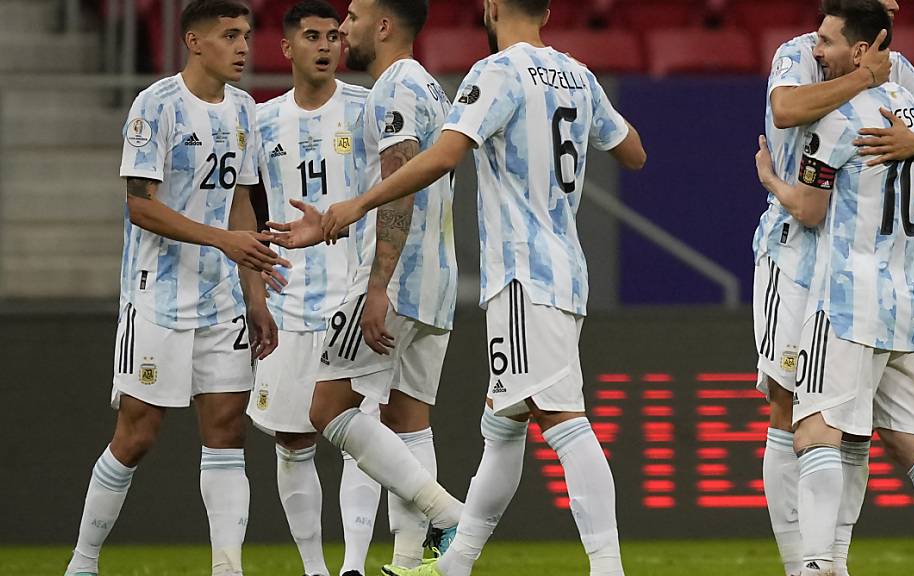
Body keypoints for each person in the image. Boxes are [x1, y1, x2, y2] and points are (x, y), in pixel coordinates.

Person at [270, 1, 647, 574]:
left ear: (494, 6)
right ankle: (454, 561)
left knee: (562, 421)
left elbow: (443, 155)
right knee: (501, 423)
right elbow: (633, 152)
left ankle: (607, 566)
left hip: (520, 272)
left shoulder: (494, 72)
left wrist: (355, 205)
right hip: (565, 268)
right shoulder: (577, 73)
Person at [754, 2, 914, 575]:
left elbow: (811, 208)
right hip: (901, 296)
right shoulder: (907, 109)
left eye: (828, 43)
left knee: (814, 431)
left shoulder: (835, 121)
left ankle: (813, 566)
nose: (816, 52)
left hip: (839, 298)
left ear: (860, 50)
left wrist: (771, 181)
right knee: (912, 440)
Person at [65, 2, 285, 575]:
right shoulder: (155, 105)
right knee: (137, 435)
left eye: (246, 34)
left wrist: (255, 298)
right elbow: (141, 206)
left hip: (221, 302)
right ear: (193, 40)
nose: (242, 46)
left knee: (227, 431)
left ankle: (227, 568)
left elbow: (241, 201)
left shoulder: (244, 110)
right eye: (229, 35)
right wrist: (223, 241)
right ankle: (83, 562)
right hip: (157, 297)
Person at [245, 2, 381, 575]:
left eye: (333, 35)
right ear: (287, 48)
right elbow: (244, 212)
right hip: (288, 297)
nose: (327, 45)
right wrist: (254, 292)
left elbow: (394, 195)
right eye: (312, 36)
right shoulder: (261, 120)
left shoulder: (367, 109)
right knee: (290, 440)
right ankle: (313, 568)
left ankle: (351, 564)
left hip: (350, 294)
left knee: (357, 435)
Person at [338, 0, 460, 568]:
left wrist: (378, 283)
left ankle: (452, 515)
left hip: (400, 278)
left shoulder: (393, 88)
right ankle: (410, 563)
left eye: (354, 14)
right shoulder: (431, 87)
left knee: (327, 408)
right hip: (438, 281)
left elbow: (400, 180)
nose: (344, 26)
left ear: (383, 26)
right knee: (408, 422)